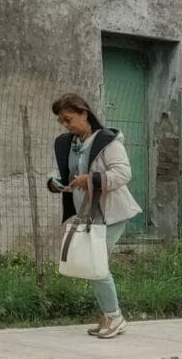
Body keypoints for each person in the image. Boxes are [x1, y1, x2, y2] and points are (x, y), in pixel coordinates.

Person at [48, 92, 142, 339]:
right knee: (94, 265)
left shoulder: (107, 142)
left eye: (69, 119)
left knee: (97, 264)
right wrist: (57, 183)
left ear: (84, 113)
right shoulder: (70, 144)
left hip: (112, 212)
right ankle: (109, 316)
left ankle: (115, 317)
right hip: (89, 213)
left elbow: (123, 174)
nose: (65, 125)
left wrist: (90, 180)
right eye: (61, 121)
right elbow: (68, 173)